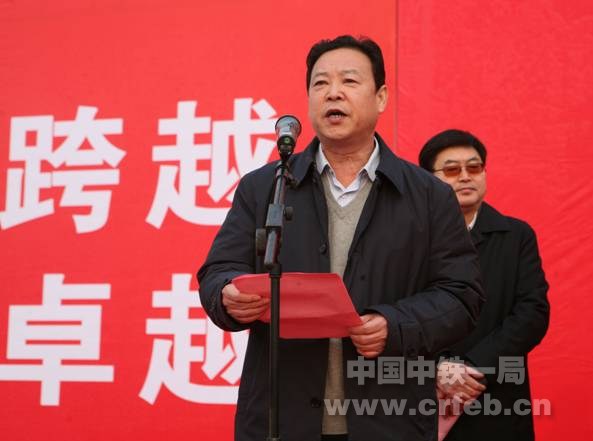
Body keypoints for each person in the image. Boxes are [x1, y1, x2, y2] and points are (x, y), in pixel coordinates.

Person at [198, 35, 484, 441]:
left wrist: (395, 324)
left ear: (381, 97)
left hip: (388, 420)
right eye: (320, 83)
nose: (333, 92)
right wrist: (226, 294)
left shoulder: (428, 196)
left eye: (349, 81)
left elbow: (462, 295)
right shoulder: (264, 187)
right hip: (282, 419)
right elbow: (217, 271)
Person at [418, 129, 550, 440]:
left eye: (474, 167)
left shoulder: (516, 236)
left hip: (496, 393)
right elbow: (399, 312)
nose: (465, 177)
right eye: (452, 170)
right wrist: (439, 369)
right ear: (429, 180)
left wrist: (474, 367)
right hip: (427, 393)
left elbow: (532, 313)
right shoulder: (410, 239)